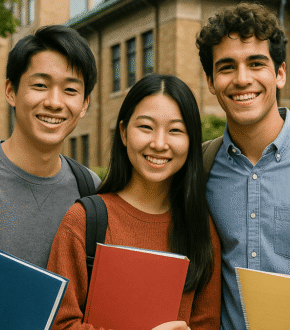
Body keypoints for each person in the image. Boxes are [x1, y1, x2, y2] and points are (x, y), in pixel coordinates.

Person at [47, 73, 221, 330]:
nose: (159, 143)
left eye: (175, 130)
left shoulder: (200, 227)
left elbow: (206, 324)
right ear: (124, 133)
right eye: (146, 127)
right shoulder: (84, 221)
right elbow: (58, 324)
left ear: (191, 141)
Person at [0, 25, 100, 328]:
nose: (55, 102)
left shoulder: (92, 192)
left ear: (84, 104)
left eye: (71, 90)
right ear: (11, 91)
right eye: (41, 85)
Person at [196, 3, 290, 329]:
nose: (242, 79)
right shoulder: (199, 168)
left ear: (280, 73)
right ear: (211, 82)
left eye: (256, 63)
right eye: (226, 67)